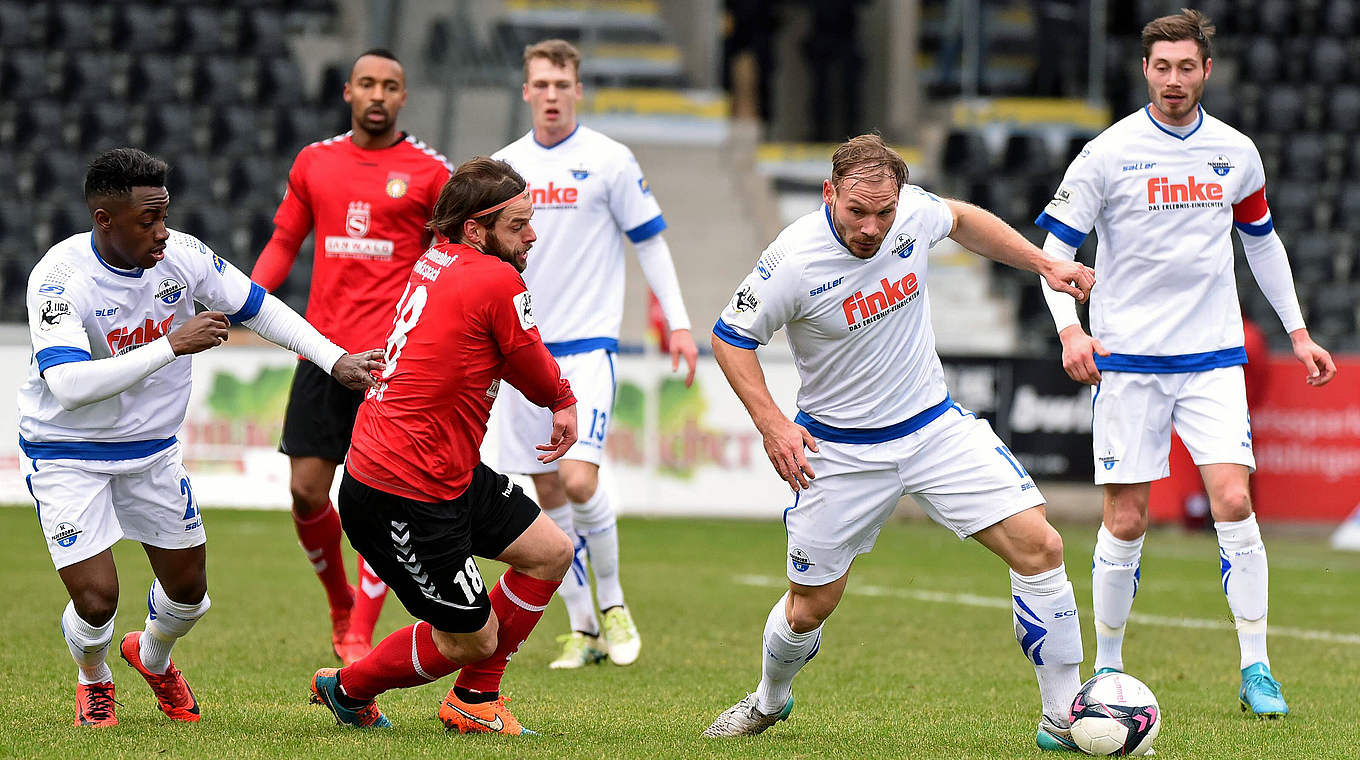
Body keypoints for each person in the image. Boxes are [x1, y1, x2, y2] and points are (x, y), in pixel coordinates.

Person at [702, 134, 1098, 751]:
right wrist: (775, 425)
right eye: (857, 211)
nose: (871, 227)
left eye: (884, 213)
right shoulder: (791, 261)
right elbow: (730, 338)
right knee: (809, 607)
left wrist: (1044, 264)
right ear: (829, 193)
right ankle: (769, 699)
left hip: (932, 427)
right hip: (838, 453)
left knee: (1040, 545)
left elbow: (963, 219)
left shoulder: (912, 210)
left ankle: (1063, 719)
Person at [1034, 8, 1336, 719]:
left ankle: (1257, 665)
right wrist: (1070, 333)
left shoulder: (1236, 151)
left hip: (1210, 356)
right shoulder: (1107, 153)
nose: (1174, 79)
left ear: (1207, 70)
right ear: (1145, 70)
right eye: (1162, 67)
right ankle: (1106, 672)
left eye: (1187, 67)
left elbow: (1261, 240)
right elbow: (1054, 253)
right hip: (1128, 360)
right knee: (1129, 519)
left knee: (1234, 502)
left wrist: (1296, 332)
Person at [21, 147, 383, 728]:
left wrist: (334, 359)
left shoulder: (183, 255)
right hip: (69, 455)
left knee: (190, 595)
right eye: (148, 221)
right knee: (97, 601)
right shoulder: (60, 279)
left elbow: (259, 308)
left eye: (165, 216)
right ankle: (95, 678)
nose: (163, 232)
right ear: (104, 219)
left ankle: (154, 655)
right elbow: (66, 385)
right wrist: (171, 344)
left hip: (153, 454)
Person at [308, 157, 577, 735]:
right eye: (518, 226)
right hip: (399, 492)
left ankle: (474, 701)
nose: (532, 236)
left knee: (551, 552)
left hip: (443, 473)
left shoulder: (436, 259)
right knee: (469, 640)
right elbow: (530, 366)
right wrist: (563, 399)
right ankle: (348, 689)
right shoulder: (494, 277)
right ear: (476, 230)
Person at [491, 39, 698, 670]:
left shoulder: (610, 161)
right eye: (541, 84)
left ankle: (612, 603)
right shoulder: (503, 169)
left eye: (562, 84)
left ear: (578, 90)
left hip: (586, 350)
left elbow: (651, 244)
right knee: (546, 488)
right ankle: (583, 629)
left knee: (580, 479)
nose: (551, 95)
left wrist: (681, 326)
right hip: (521, 355)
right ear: (525, 91)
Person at [250, 48, 453, 665]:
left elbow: (451, 263)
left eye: (390, 86)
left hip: (393, 363)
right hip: (322, 351)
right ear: (347, 92)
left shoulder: (429, 173)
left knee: (378, 497)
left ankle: (360, 630)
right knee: (308, 492)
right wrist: (246, 306)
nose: (378, 95)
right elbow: (286, 240)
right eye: (367, 83)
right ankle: (340, 603)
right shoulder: (316, 162)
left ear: (403, 97)